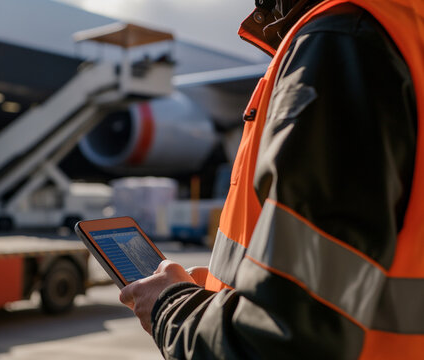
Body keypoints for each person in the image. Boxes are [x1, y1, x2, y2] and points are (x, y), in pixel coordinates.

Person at [119, 0, 424, 358]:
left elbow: (282, 340)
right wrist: (229, 293)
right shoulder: (402, 27)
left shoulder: (343, 39)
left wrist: (169, 305)